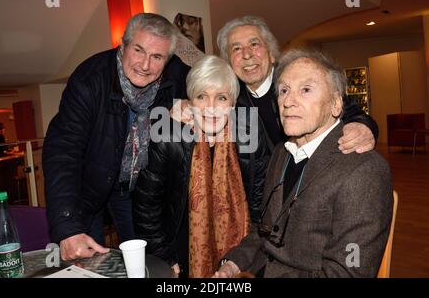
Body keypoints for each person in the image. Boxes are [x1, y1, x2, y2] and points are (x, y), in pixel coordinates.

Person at [214, 49, 393, 278]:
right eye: (284, 90)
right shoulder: (282, 153)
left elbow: (348, 272)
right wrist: (233, 263)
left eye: (306, 90)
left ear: (336, 105)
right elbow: (265, 230)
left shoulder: (364, 171)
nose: (288, 101)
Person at [42, 13, 190, 261]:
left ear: (168, 60)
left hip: (138, 189)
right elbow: (63, 151)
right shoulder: (90, 79)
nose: (145, 65)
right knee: (88, 263)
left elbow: (214, 85)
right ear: (122, 46)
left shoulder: (178, 77)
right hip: (87, 187)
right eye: (138, 50)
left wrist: (195, 104)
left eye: (157, 57)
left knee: (145, 261)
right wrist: (67, 228)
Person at [133, 55, 269, 278]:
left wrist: (245, 256)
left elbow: (260, 205)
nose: (211, 108)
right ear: (190, 101)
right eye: (202, 96)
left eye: (222, 98)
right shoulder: (169, 135)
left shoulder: (249, 130)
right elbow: (146, 207)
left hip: (242, 251)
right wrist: (165, 257)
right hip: (182, 252)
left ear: (233, 102)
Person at [215, 16, 378, 153]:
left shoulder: (295, 79)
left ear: (271, 54)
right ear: (229, 62)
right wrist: (188, 106)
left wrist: (362, 126)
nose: (247, 54)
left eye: (254, 44)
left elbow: (349, 110)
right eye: (236, 48)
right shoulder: (231, 99)